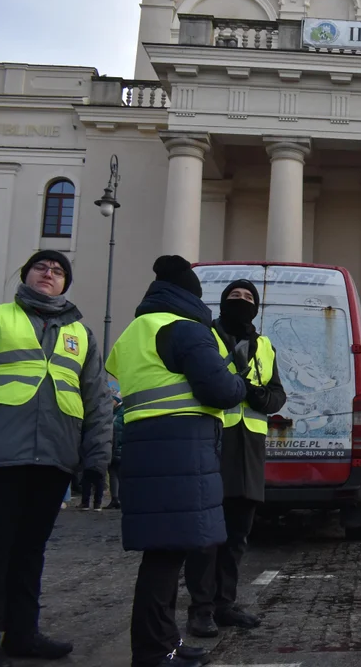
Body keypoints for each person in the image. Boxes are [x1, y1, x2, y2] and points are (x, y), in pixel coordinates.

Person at [106, 256, 248, 667]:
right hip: (180, 448)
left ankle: (165, 640)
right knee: (166, 558)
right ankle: (154, 651)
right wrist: (237, 375)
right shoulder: (185, 328)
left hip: (148, 446)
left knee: (165, 552)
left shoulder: (137, 329)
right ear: (191, 295)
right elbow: (220, 389)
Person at [0, 251, 113, 667]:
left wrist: (96, 459)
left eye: (58, 271)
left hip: (54, 458)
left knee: (30, 550)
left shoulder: (81, 334)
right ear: (25, 275)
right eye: (42, 267)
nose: (49, 274)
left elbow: (96, 401)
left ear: (65, 284)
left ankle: (22, 634)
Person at [183, 279, 286, 639]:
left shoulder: (265, 346)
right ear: (222, 302)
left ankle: (225, 603)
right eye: (234, 296)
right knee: (206, 534)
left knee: (237, 534)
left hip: (249, 448)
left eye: (247, 298)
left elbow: (277, 395)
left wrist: (259, 397)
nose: (241, 301)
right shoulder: (205, 336)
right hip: (213, 440)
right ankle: (200, 608)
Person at [104, 388, 125, 509]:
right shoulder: (113, 414)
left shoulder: (121, 413)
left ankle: (122, 498)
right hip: (112, 449)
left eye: (112, 401)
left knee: (120, 474)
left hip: (120, 448)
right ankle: (115, 499)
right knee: (112, 473)